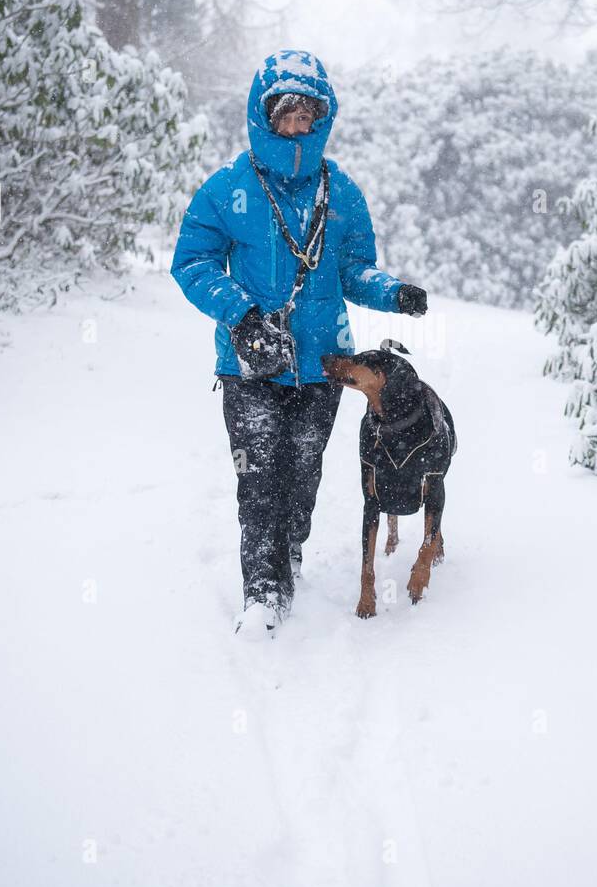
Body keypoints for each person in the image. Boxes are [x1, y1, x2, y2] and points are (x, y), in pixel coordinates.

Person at [170, 49, 428, 637]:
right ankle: (263, 595)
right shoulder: (228, 189)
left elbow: (357, 271)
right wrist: (241, 314)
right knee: (257, 478)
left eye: (306, 114)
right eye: (284, 113)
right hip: (249, 366)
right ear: (264, 116)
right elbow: (192, 262)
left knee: (303, 472)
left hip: (322, 367)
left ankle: (289, 552)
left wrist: (391, 293)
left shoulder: (344, 194)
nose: (296, 124)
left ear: (321, 117)